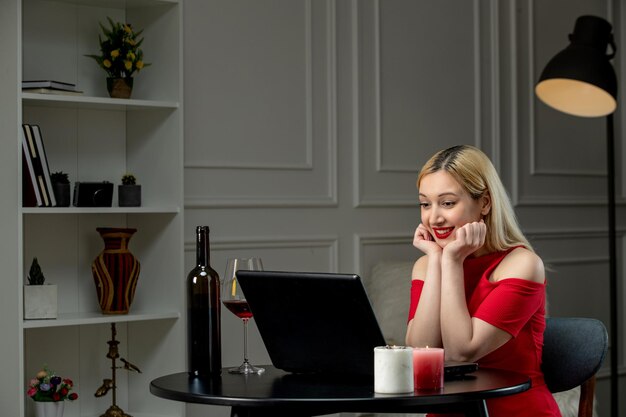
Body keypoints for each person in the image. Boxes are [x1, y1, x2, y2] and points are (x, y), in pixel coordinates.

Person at [405, 145, 561, 417]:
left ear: (485, 203)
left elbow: (462, 352)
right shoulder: (426, 265)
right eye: (425, 203)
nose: (434, 217)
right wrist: (436, 259)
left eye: (448, 203)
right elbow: (419, 354)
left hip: (512, 409)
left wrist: (451, 261)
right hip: (448, 410)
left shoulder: (522, 264)